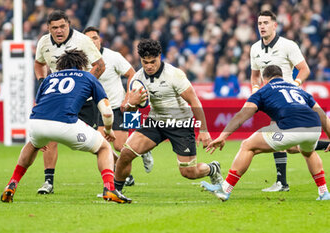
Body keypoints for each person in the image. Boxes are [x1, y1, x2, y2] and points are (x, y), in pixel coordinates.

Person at [0, 49, 131, 204]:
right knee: (104, 148)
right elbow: (107, 113)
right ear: (82, 64)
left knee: (33, 145)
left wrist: (40, 135)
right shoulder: (88, 76)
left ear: (61, 65)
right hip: (65, 123)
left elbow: (39, 104)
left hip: (37, 122)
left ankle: (12, 184)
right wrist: (108, 130)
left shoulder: (49, 78)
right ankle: (109, 188)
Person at [201, 65, 330, 202]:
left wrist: (223, 136)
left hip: (291, 127)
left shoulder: (263, 91)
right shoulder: (299, 90)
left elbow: (242, 115)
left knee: (247, 145)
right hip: (314, 127)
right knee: (308, 153)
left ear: (264, 79)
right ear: (281, 76)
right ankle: (324, 192)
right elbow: (322, 116)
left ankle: (225, 189)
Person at [114, 39, 223, 199]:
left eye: (153, 61)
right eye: (145, 62)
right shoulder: (138, 78)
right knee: (125, 153)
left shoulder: (174, 75)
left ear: (160, 57)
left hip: (181, 124)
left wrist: (204, 130)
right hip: (156, 121)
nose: (149, 66)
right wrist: (132, 103)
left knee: (188, 172)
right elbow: (127, 108)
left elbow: (194, 101)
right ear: (141, 60)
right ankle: (115, 191)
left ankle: (212, 168)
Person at [249, 10, 330, 192]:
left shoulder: (288, 45)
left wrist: (294, 84)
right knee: (293, 146)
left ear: (275, 25)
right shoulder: (254, 48)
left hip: (289, 99)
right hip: (270, 98)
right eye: (259, 23)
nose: (262, 26)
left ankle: (282, 183)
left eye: (265, 23)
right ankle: (284, 182)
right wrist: (255, 90)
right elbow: (254, 76)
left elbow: (304, 69)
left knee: (279, 136)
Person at [34, 10, 105, 194]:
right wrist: (43, 82)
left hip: (84, 101)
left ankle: (116, 175)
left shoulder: (82, 41)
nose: (59, 31)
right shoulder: (43, 42)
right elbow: (39, 63)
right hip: (57, 100)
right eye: (54, 27)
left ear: (69, 24)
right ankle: (48, 182)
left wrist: (82, 85)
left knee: (97, 143)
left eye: (63, 26)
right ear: (48, 28)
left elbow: (100, 65)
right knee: (50, 138)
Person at [83, 26, 154, 186]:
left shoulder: (113, 57)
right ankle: (121, 175)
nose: (92, 41)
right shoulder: (82, 59)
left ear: (100, 39)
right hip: (99, 108)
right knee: (99, 146)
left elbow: (132, 74)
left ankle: (143, 150)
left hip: (118, 106)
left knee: (120, 146)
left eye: (95, 38)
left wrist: (128, 96)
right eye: (88, 39)